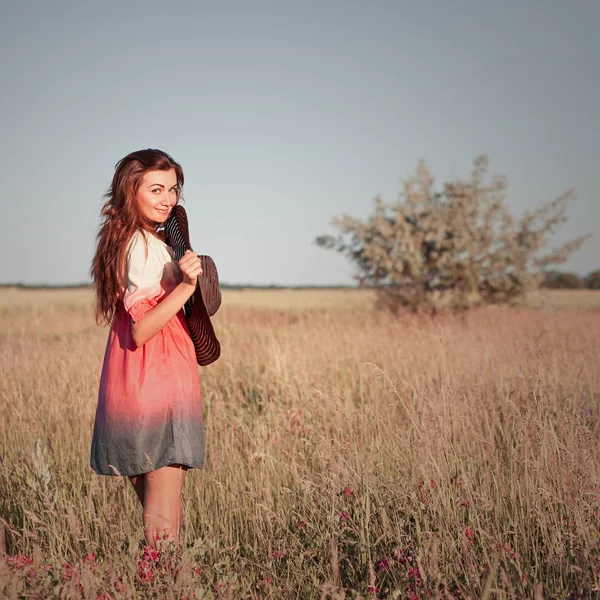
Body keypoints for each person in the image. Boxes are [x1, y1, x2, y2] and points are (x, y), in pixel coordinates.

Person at [89, 148, 204, 549]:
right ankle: (166, 586)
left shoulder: (130, 239)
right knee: (164, 528)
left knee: (162, 516)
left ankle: (162, 581)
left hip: (135, 380)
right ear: (129, 191)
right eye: (155, 189)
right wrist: (188, 286)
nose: (167, 199)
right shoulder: (141, 244)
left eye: (173, 189)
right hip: (158, 381)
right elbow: (141, 329)